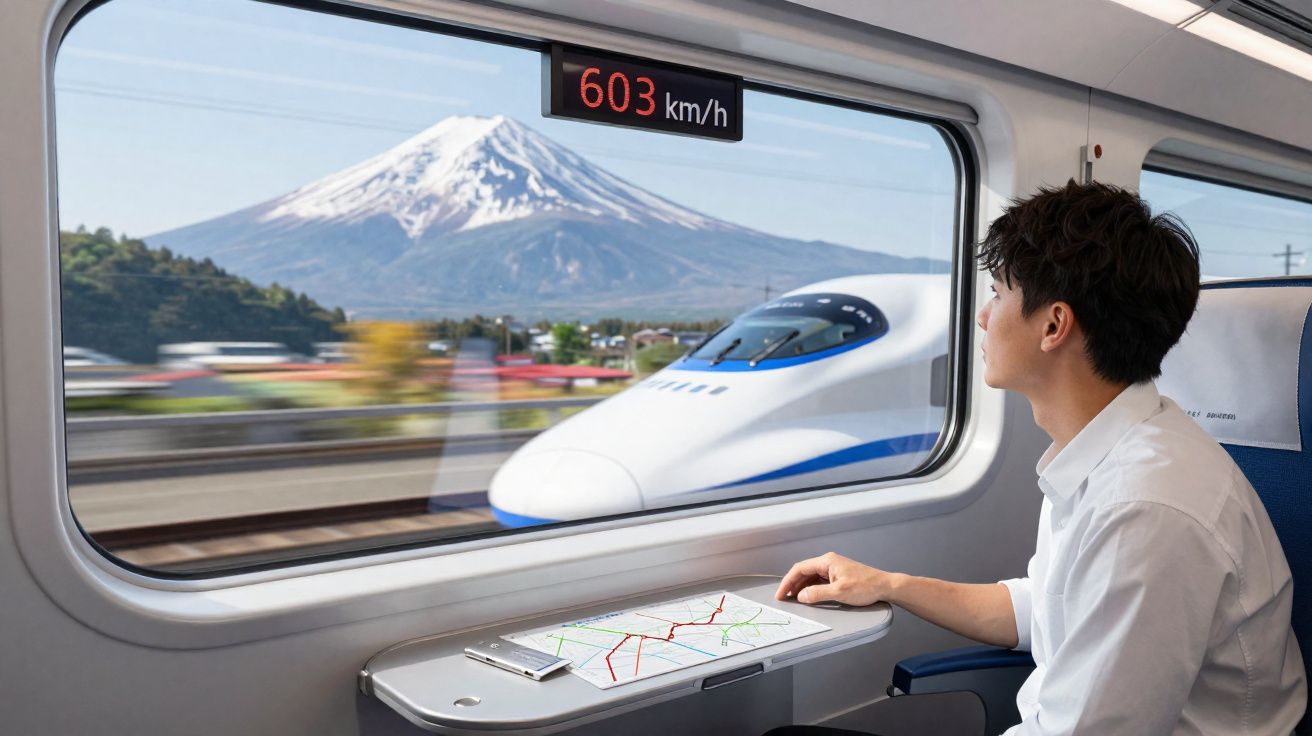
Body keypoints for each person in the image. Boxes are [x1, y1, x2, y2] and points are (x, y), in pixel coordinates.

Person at [774, 181, 1306, 734]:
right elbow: (1044, 610)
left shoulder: (1145, 509)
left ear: (1054, 325)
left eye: (999, 294)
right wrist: (889, 585)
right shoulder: (1107, 452)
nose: (984, 317)